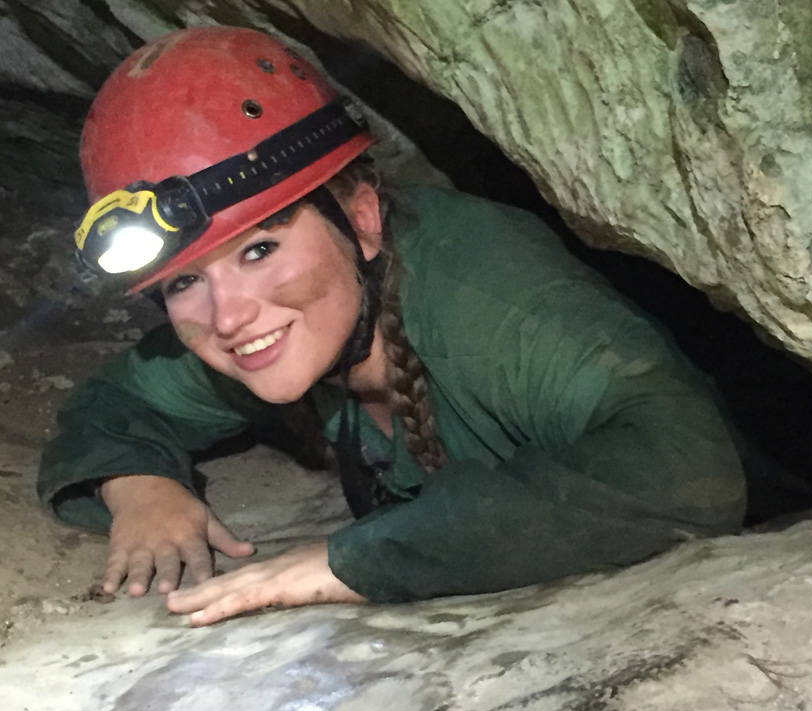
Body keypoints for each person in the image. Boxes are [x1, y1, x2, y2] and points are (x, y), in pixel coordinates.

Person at [37, 25, 747, 627]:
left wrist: (362, 558)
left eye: (260, 249)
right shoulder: (250, 334)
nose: (228, 316)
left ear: (364, 218)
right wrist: (138, 486)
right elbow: (116, 403)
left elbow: (686, 468)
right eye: (185, 281)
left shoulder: (484, 294)